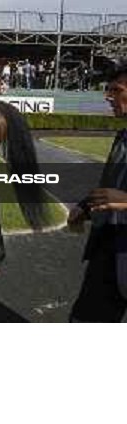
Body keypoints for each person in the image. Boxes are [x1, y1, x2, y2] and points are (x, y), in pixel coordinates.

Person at [68, 65, 127, 322]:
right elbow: (112, 183)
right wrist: (86, 206)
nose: (108, 96)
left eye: (117, 90)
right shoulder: (123, 135)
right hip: (110, 245)